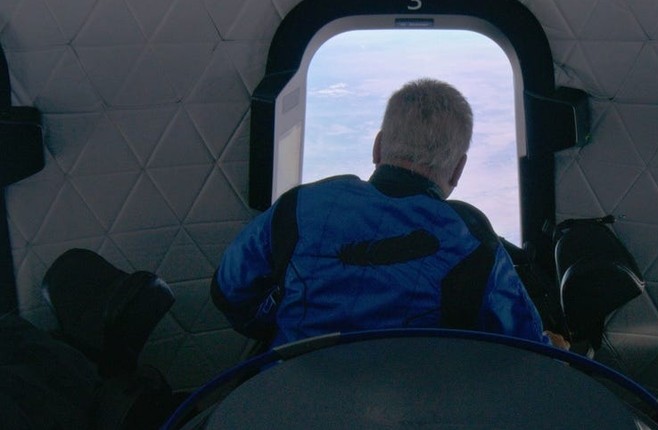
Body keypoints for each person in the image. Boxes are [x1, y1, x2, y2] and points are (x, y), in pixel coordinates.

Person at [212, 78, 565, 349]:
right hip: (422, 409)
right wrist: (554, 345)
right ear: (458, 170)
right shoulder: (471, 238)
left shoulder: (297, 207)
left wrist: (285, 324)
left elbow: (229, 292)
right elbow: (524, 342)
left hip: (286, 400)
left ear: (378, 146)